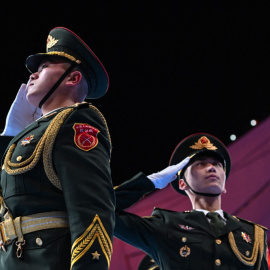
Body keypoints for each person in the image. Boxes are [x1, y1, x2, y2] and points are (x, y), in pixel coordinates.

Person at [0, 27, 115, 270]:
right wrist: (9, 136)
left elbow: (91, 210)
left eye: (43, 68)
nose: (32, 75)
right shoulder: (30, 134)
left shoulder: (77, 122)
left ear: (73, 78)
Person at [114, 133, 268, 269]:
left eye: (217, 164)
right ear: (182, 183)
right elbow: (100, 210)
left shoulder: (252, 234)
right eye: (201, 164)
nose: (211, 168)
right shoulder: (165, 226)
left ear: (225, 185)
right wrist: (149, 183)